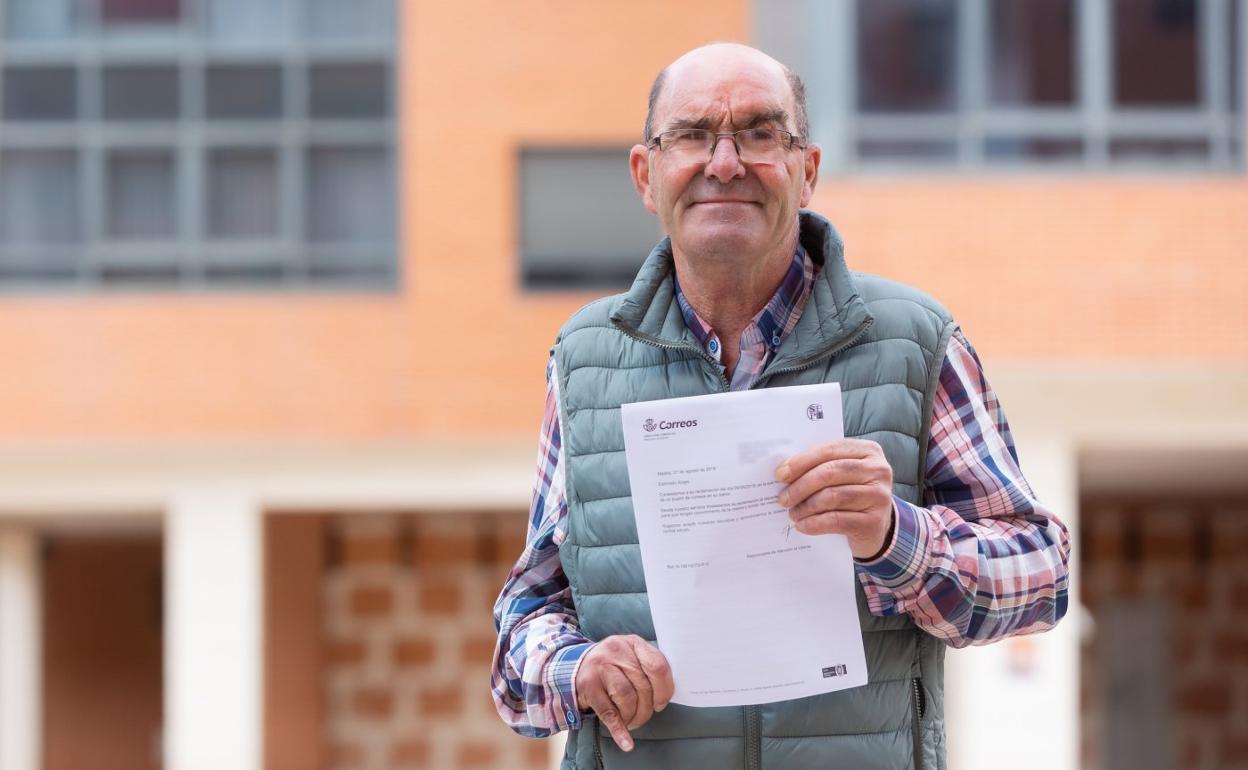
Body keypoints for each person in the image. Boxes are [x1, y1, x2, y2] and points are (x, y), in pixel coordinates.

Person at [492, 42, 1070, 770]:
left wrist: (897, 536)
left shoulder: (915, 342)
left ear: (808, 171)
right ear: (647, 175)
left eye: (761, 133)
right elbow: (520, 635)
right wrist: (578, 670)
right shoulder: (583, 359)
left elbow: (1042, 578)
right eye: (694, 135)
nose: (724, 162)